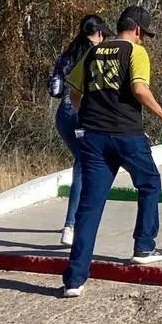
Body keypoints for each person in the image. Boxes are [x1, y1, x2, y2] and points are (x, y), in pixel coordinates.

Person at [62, 5, 162, 298]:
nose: (144, 40)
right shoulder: (136, 52)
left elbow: (74, 90)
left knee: (90, 204)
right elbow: (139, 89)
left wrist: (86, 117)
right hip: (127, 135)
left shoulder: (93, 52)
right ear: (138, 30)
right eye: (144, 34)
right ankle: (144, 245)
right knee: (149, 182)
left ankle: (74, 280)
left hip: (93, 137)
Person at [47, 15, 114, 246]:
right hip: (84, 115)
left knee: (83, 163)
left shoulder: (66, 55)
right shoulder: (96, 56)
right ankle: (72, 225)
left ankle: (76, 222)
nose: (103, 38)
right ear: (96, 33)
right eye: (102, 34)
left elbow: (54, 89)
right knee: (84, 167)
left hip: (64, 115)